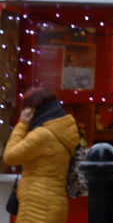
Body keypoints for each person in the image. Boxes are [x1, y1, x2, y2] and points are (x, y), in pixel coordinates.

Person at [3, 87, 79, 223]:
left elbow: (10, 156)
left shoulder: (43, 135)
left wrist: (22, 124)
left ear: (33, 110)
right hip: (55, 203)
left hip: (36, 207)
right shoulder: (62, 131)